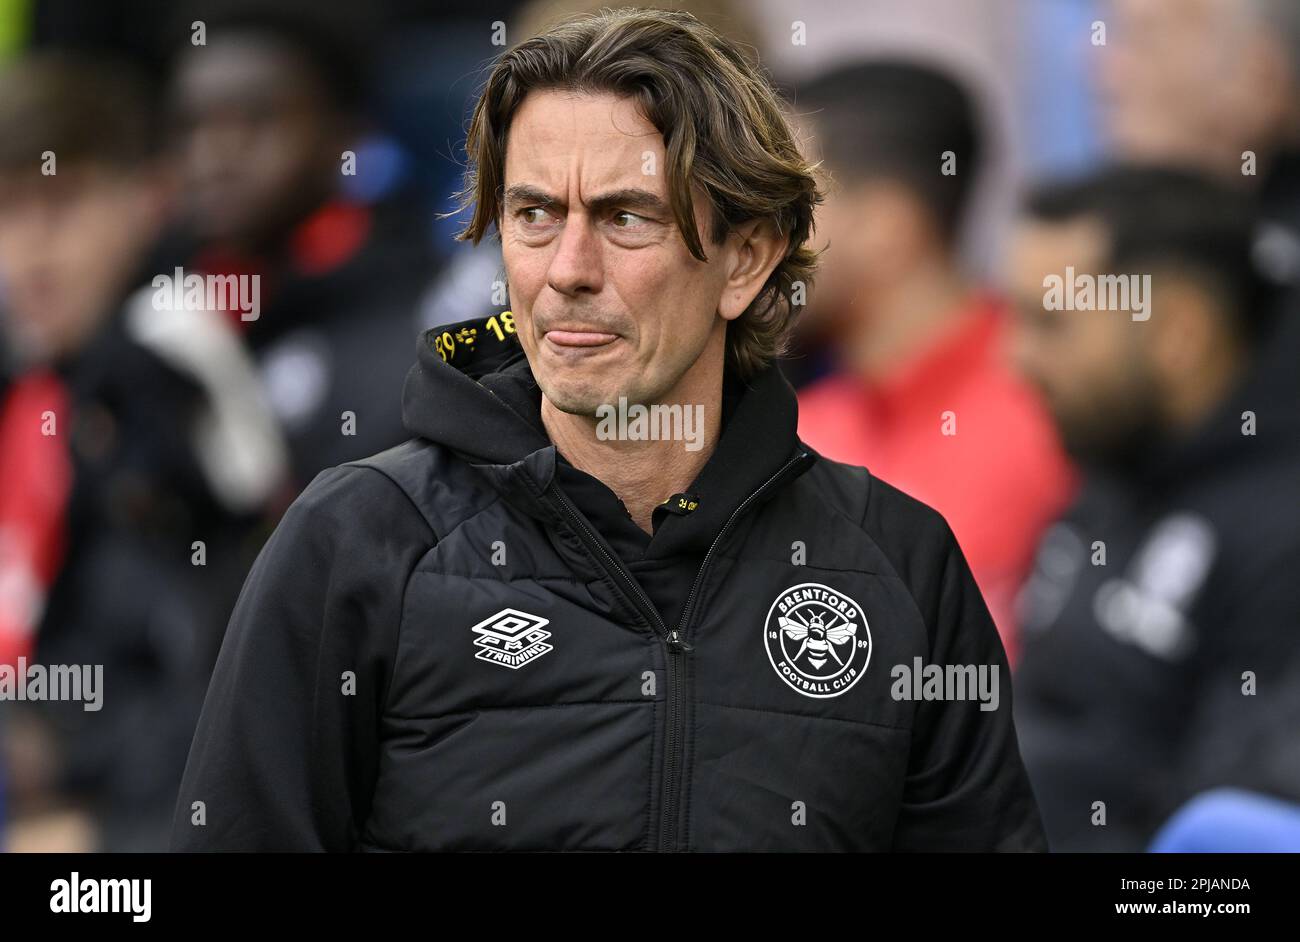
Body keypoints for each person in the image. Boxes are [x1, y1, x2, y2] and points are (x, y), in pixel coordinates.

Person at [173, 8, 1046, 852]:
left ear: (746, 260)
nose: (567, 272)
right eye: (534, 215)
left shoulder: (900, 563)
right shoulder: (358, 539)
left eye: (627, 216)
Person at [0, 53, 285, 850]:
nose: (29, 249)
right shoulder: (35, 377)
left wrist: (102, 829)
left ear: (147, 200)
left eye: (59, 205)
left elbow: (225, 667)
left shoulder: (169, 353)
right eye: (7, 210)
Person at [1007, 166, 1300, 851]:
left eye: (1051, 322)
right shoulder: (1114, 467)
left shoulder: (1283, 534)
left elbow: (1228, 842)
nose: (1015, 358)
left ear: (1178, 331)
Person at [792, 61, 1074, 662]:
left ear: (885, 226)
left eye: (781, 208)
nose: (744, 243)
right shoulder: (797, 427)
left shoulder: (1054, 408)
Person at [167, 1, 435, 492]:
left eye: (258, 120)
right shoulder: (154, 316)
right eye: (193, 126)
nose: (215, 156)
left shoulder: (414, 320)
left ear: (344, 136)